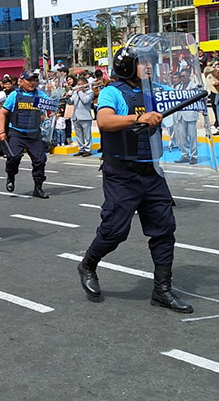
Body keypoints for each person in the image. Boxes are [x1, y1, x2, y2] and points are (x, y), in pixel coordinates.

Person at [76, 37, 193, 313]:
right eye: (144, 61)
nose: (150, 66)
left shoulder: (155, 90)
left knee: (164, 230)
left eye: (152, 61)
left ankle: (162, 290)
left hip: (152, 169)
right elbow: (104, 121)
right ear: (128, 65)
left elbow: (175, 99)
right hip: (121, 172)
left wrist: (195, 98)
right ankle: (88, 264)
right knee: (115, 231)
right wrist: (138, 118)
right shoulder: (111, 92)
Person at [0, 71, 51, 199]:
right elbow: (3, 113)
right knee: (13, 157)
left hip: (34, 134)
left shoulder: (39, 94)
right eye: (29, 80)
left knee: (40, 160)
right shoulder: (15, 95)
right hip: (17, 133)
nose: (32, 83)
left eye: (34, 80)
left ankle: (38, 188)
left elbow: (51, 105)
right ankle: (11, 176)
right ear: (21, 81)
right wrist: (2, 132)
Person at [172, 68, 200, 164]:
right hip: (180, 115)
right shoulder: (178, 87)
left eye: (184, 76)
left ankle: (194, 156)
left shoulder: (194, 86)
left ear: (189, 76)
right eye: (181, 76)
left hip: (190, 114)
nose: (182, 78)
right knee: (182, 137)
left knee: (192, 136)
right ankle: (185, 155)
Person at [67, 78, 94, 157]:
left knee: (87, 134)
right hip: (75, 116)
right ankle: (81, 149)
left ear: (84, 84)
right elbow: (70, 102)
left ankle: (88, 149)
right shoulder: (76, 92)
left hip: (85, 116)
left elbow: (85, 101)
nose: (77, 86)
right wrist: (68, 97)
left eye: (80, 84)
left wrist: (80, 92)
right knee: (78, 134)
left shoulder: (90, 92)